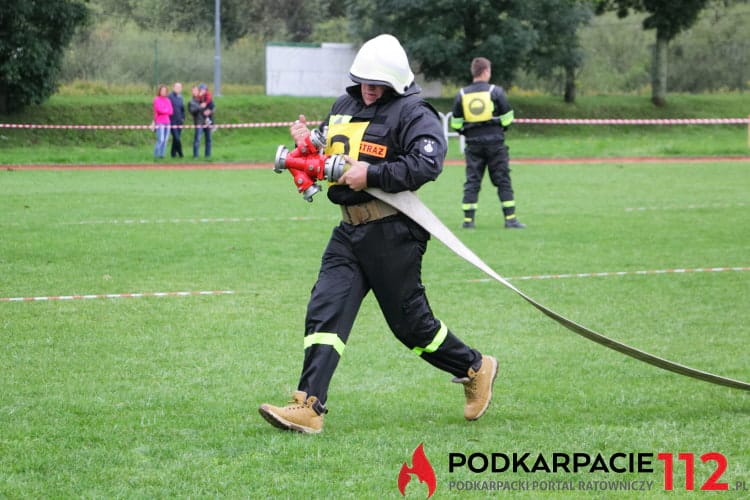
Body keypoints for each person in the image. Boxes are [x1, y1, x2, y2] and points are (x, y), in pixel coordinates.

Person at [259, 34, 498, 434]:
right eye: (363, 81)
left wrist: (371, 173)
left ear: (397, 81)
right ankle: (309, 405)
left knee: (411, 327)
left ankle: (474, 367)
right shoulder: (344, 106)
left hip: (393, 232)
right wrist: (307, 144)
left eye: (378, 83)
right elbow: (325, 155)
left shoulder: (414, 113)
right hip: (348, 231)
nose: (369, 90)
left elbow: (427, 164)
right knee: (325, 308)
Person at [450, 57, 525, 229]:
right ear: (486, 72)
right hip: (495, 144)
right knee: (503, 180)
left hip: (473, 144)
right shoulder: (495, 91)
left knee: (472, 181)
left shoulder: (462, 94)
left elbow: (455, 124)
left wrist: (468, 132)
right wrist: (498, 129)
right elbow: (508, 119)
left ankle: (468, 221)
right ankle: (510, 219)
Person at [188, 84, 214, 157]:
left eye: (197, 90)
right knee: (197, 140)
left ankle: (208, 156)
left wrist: (210, 111)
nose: (196, 92)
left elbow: (213, 106)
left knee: (209, 140)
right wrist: (200, 107)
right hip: (199, 122)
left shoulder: (205, 99)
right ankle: (196, 156)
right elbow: (192, 111)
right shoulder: (192, 101)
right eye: (194, 91)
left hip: (207, 121)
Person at [152, 84, 173, 159]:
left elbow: (171, 111)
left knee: (166, 140)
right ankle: (156, 155)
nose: (163, 92)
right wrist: (165, 110)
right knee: (160, 139)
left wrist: (164, 110)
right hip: (159, 121)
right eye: (162, 90)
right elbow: (158, 109)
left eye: (165, 91)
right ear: (159, 91)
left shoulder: (168, 100)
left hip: (167, 121)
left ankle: (162, 155)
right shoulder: (156, 99)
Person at [168, 82, 185, 158]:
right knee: (177, 138)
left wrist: (183, 117)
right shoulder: (169, 97)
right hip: (172, 121)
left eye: (180, 87)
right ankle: (180, 153)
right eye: (177, 87)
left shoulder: (181, 97)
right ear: (173, 88)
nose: (178, 89)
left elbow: (182, 109)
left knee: (176, 139)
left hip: (179, 121)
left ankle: (173, 154)